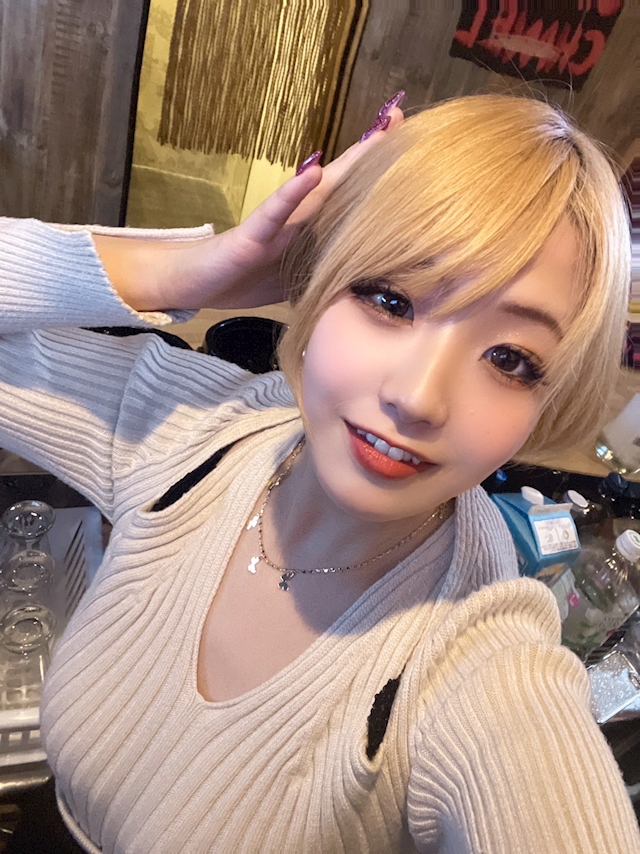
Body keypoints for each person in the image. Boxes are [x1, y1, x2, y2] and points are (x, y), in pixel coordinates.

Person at [0, 93, 638, 854]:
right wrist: (192, 274)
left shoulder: (479, 662)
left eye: (510, 359)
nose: (418, 397)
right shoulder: (199, 435)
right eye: (390, 299)